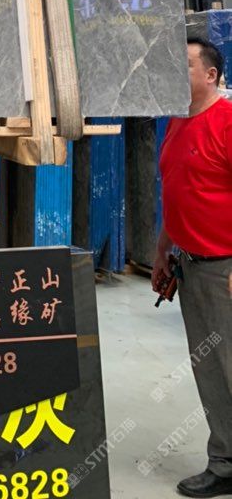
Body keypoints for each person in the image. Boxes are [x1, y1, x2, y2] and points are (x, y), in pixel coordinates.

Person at [154, 37, 232, 497]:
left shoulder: (227, 121)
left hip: (224, 269)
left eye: (184, 64)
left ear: (211, 74)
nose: (174, 71)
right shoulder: (178, 120)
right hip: (190, 266)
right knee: (211, 370)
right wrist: (163, 250)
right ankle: (225, 462)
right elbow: (176, 188)